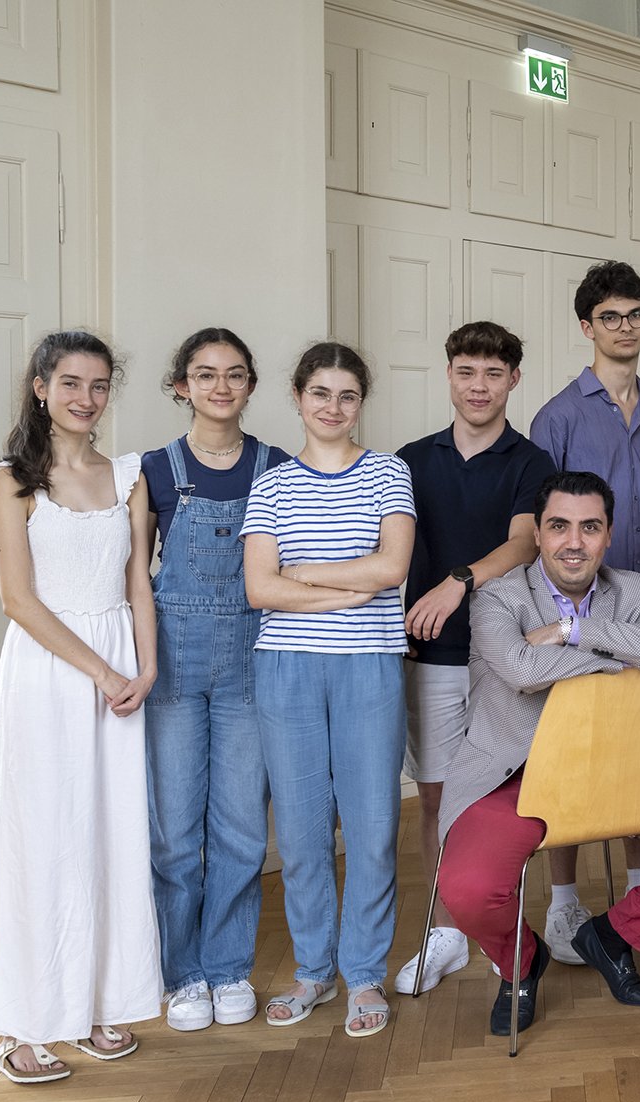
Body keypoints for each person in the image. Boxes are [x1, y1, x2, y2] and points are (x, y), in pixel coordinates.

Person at [433, 471, 640, 1037]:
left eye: (589, 527)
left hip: (619, 770)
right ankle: (521, 964)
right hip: (515, 778)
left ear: (607, 535)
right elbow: (523, 671)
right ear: (538, 532)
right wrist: (622, 662)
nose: (574, 542)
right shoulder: (498, 598)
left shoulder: (632, 589)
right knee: (469, 892)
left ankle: (613, 935)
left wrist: (572, 629)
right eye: (559, 527)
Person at [0, 331, 160, 1083]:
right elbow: (18, 599)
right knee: (46, 837)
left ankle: (99, 1003)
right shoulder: (9, 479)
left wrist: (144, 670)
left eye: (98, 385)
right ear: (40, 387)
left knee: (114, 836)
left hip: (122, 672)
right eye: (71, 383)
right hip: (50, 674)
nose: (86, 398)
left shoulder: (130, 476)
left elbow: (137, 584)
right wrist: (99, 671)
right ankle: (27, 1021)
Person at [242, 342, 414, 1039]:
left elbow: (394, 567)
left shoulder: (388, 474)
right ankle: (314, 969)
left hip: (369, 663)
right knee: (306, 831)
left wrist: (305, 573)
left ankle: (364, 972)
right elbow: (260, 587)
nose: (332, 407)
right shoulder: (273, 484)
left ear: (360, 402)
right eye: (320, 393)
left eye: (346, 395)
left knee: (372, 827)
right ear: (298, 397)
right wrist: (347, 585)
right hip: (285, 668)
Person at [391, 322, 555, 995]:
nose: (478, 385)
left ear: (514, 379)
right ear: (450, 375)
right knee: (435, 798)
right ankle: (449, 930)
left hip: (504, 657)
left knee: (497, 802)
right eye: (466, 371)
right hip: (429, 655)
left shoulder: (531, 462)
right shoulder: (410, 459)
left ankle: (502, 930)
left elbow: (522, 544)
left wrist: (459, 580)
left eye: (492, 373)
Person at [142, 328, 290, 1033]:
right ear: (182, 386)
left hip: (250, 668)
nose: (220, 387)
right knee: (173, 834)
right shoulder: (155, 469)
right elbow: (132, 578)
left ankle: (228, 966)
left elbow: (292, 571)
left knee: (237, 829)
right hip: (172, 664)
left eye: (234, 374)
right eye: (205, 375)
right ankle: (182, 975)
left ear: (251, 385)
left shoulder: (277, 467)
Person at [529, 261, 640, 961]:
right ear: (587, 327)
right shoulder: (556, 416)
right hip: (577, 608)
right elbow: (549, 525)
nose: (625, 327)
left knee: (635, 753)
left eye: (635, 314)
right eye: (610, 317)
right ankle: (563, 904)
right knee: (569, 753)